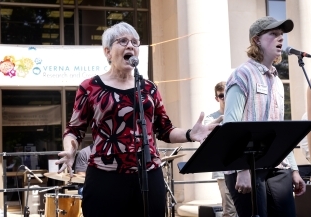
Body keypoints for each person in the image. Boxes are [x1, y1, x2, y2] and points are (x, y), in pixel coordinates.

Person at [55, 22, 222, 217]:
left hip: (149, 176)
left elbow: (165, 130)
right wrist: (70, 151)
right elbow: (74, 130)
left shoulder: (148, 88)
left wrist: (190, 134)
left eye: (135, 42)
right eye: (123, 41)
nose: (130, 46)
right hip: (105, 179)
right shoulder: (90, 87)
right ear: (108, 52)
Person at [223, 16, 306, 217]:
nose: (280, 39)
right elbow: (231, 126)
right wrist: (242, 169)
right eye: (273, 34)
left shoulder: (277, 80)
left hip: (278, 167)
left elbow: (280, 130)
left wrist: (293, 169)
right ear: (256, 40)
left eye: (281, 35)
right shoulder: (241, 75)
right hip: (247, 168)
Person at [204, 81, 237, 217]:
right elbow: (204, 131)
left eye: (227, 94)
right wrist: (221, 119)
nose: (225, 98)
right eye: (221, 95)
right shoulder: (211, 117)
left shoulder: (238, 112)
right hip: (223, 169)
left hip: (240, 166)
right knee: (229, 210)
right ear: (217, 98)